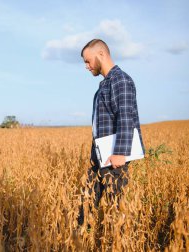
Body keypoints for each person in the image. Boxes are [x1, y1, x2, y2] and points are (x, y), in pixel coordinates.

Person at [77, 39, 144, 225]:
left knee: (116, 210)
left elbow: (125, 117)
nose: (87, 66)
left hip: (114, 159)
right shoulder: (105, 84)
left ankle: (117, 244)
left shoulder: (120, 80)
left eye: (88, 61)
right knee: (86, 205)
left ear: (101, 54)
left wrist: (120, 153)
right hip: (99, 157)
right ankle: (82, 241)